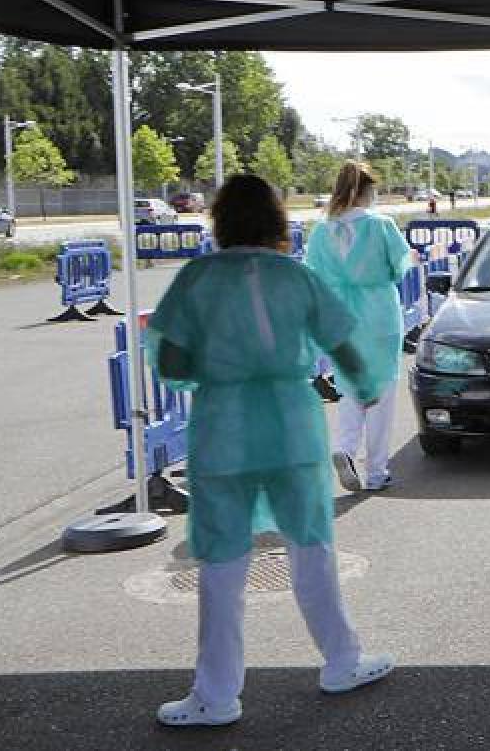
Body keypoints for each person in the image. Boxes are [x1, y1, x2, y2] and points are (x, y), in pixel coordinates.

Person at [150, 174, 395, 727]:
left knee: (222, 563)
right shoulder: (296, 277)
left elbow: (171, 364)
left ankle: (215, 694)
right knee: (311, 546)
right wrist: (368, 384)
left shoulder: (197, 280)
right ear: (277, 222)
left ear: (221, 223)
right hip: (293, 428)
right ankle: (341, 660)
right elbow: (346, 348)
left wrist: (218, 363)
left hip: (224, 430)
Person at [306, 161, 416, 493]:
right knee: (381, 391)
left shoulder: (321, 231)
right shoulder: (381, 226)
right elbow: (400, 267)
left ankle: (345, 445)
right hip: (379, 314)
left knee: (350, 386)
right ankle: (376, 470)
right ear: (367, 191)